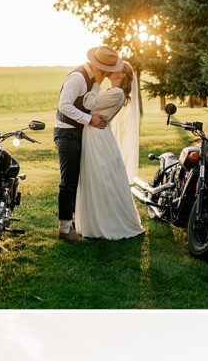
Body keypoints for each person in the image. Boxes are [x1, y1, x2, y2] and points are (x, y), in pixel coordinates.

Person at [53, 45, 121, 242]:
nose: (110, 74)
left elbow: (92, 102)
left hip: (80, 134)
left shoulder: (94, 80)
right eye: (108, 70)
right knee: (69, 181)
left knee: (82, 180)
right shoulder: (78, 78)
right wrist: (89, 120)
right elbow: (64, 105)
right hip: (67, 134)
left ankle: (76, 221)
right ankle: (65, 228)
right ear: (100, 67)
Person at [74, 61, 144, 240]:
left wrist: (96, 82)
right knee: (96, 178)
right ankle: (95, 220)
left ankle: (107, 222)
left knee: (101, 178)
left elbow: (89, 102)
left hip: (98, 137)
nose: (111, 71)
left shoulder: (117, 93)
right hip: (95, 134)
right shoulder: (113, 92)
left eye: (116, 69)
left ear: (122, 75)